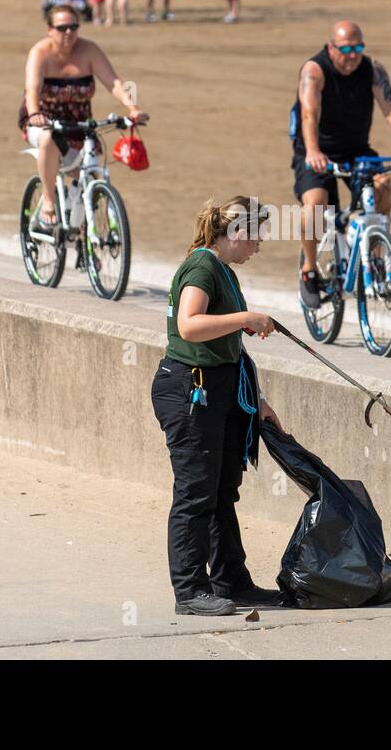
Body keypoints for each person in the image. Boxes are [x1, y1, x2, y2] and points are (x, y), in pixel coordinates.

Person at [150, 197, 287, 617]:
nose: (259, 246)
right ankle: (190, 590)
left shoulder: (223, 271)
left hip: (224, 389)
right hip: (191, 391)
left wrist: (259, 401)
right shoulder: (203, 266)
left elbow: (226, 341)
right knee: (195, 494)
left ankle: (232, 581)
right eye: (257, 236)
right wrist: (245, 316)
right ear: (239, 233)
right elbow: (189, 325)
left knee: (222, 491)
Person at [291, 21, 391, 307]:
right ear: (331, 47)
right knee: (316, 205)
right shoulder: (314, 71)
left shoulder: (372, 70)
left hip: (356, 150)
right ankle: (308, 270)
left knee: (383, 185)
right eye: (346, 49)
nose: (353, 55)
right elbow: (309, 114)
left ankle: (376, 255)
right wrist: (314, 151)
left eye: (358, 48)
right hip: (316, 150)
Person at [18, 4, 148, 229]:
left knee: (92, 176)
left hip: (79, 122)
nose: (69, 32)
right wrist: (35, 114)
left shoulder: (89, 50)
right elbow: (32, 90)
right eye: (62, 28)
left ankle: (86, 238)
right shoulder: (40, 53)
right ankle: (48, 200)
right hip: (44, 119)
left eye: (73, 27)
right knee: (48, 140)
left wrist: (132, 107)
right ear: (50, 29)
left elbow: (113, 82)